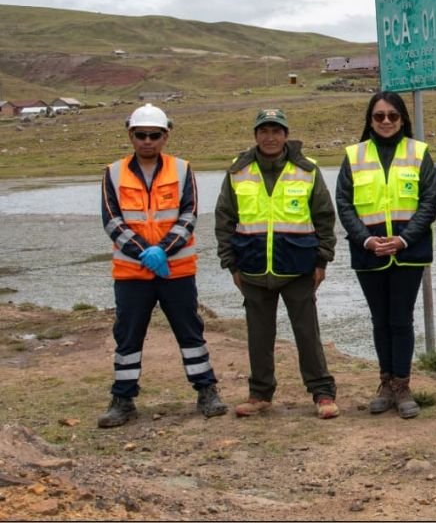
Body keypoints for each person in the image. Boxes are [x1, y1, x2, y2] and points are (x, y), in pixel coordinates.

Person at [98, 103, 227, 427]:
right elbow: (112, 220)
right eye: (141, 135)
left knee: (190, 332)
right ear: (131, 135)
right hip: (132, 273)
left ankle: (207, 391)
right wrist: (145, 252)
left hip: (176, 272)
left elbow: (189, 215)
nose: (147, 141)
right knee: (127, 337)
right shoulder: (113, 173)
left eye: (154, 135)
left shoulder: (182, 170)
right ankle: (123, 399)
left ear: (165, 136)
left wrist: (163, 250)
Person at [215, 108, 339, 420]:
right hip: (252, 267)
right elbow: (224, 219)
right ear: (256, 135)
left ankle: (322, 393)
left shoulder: (307, 170)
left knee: (307, 334)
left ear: (285, 135)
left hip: (298, 267)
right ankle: (260, 394)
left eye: (276, 131)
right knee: (259, 336)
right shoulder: (238, 171)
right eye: (264, 131)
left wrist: (322, 260)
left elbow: (325, 218)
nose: (270, 137)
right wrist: (231, 265)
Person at [336, 92, 436, 419]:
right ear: (370, 120)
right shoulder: (354, 155)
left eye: (393, 116)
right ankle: (385, 383)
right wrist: (366, 240)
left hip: (408, 253)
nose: (386, 121)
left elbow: (429, 202)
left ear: (403, 119)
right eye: (379, 116)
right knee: (380, 320)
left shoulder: (419, 153)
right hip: (369, 253)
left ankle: (402, 385)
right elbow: (344, 204)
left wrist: (404, 240)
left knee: (401, 320)